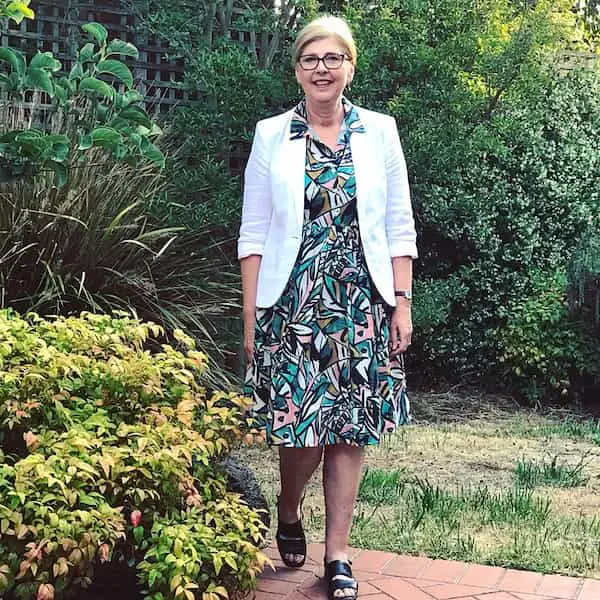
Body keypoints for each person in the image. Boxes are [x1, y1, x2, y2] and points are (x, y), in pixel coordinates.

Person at [238, 15, 417, 600]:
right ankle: (289, 508)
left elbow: (398, 225)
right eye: (311, 58)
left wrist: (402, 301)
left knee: (349, 430)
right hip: (292, 303)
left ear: (350, 66)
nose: (322, 68)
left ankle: (336, 554)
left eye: (332, 58)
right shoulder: (272, 135)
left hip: (362, 301)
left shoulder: (380, 133)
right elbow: (254, 234)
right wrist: (250, 316)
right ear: (296, 69)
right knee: (301, 431)